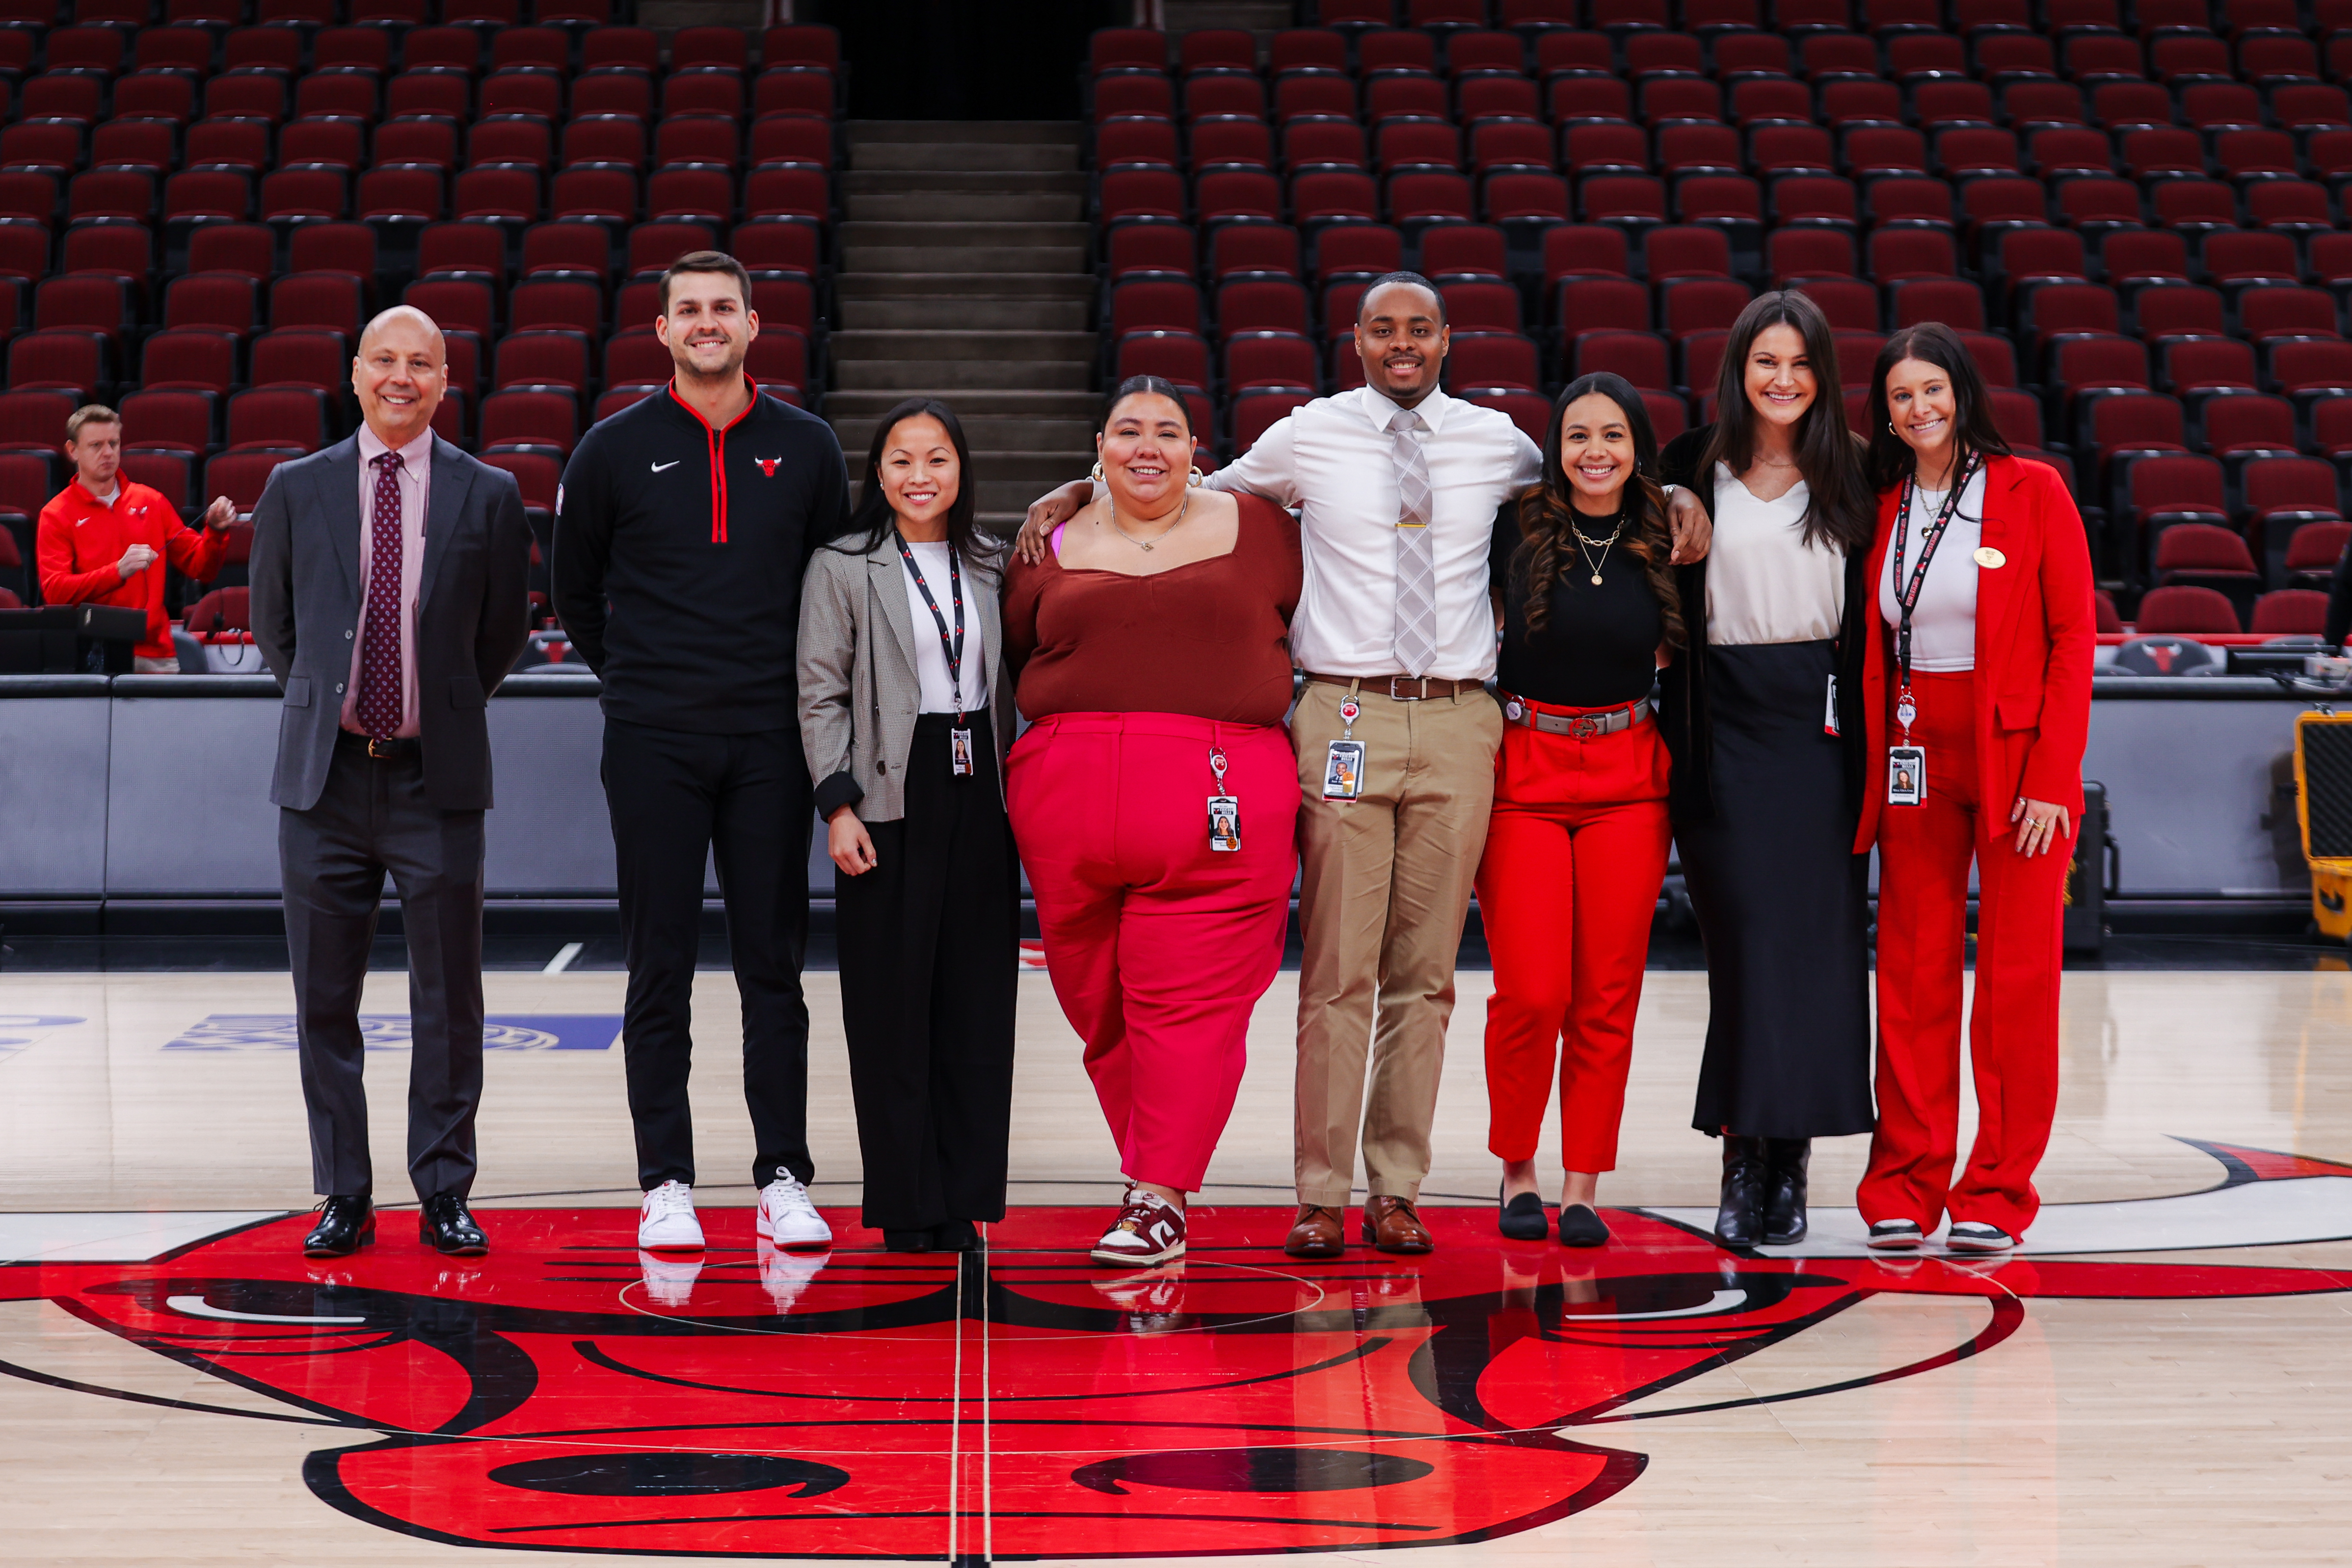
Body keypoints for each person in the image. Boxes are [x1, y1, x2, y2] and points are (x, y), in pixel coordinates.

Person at [1022, 276, 1713, 1258]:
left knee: (1424, 976)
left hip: (1462, 720)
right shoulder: (1306, 435)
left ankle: (1397, 1186)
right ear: (1354, 341)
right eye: (1383, 329)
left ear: (1445, 341)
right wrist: (1077, 488)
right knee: (1337, 971)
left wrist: (1675, 489)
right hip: (1341, 708)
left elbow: (1590, 485)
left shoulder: (1497, 442)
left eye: (1419, 330)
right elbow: (1178, 483)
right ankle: (1318, 1192)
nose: (1402, 344)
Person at [552, 251, 850, 1256]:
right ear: (663, 330)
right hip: (653, 742)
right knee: (659, 968)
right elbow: (576, 590)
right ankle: (666, 1181)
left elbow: (832, 588)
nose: (707, 322)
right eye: (690, 309)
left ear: (755, 325)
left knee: (775, 965)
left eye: (725, 307)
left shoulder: (806, 447)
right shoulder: (610, 448)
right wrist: (641, 676)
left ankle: (781, 1177)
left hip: (773, 739)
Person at [247, 306, 533, 1258]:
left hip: (435, 781)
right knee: (323, 998)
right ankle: (344, 1192)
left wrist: (433, 707)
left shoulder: (489, 494)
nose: (401, 376)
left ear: (446, 381)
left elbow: (497, 640)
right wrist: (337, 706)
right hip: (323, 783)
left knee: (447, 998)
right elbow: (277, 629)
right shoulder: (295, 487)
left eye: (421, 362)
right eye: (385, 359)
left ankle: (445, 1187)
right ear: (354, 371)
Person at [1002, 376, 1303, 1266]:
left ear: (1195, 450)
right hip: (1066, 802)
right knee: (1098, 1004)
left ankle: (1158, 1193)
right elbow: (1019, 649)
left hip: (1223, 803)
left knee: (1192, 1009)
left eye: (1166, 432)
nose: (1146, 447)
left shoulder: (1265, 530)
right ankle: (1152, 1172)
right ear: (1096, 447)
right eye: (1127, 431)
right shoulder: (1045, 538)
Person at [1854, 324, 2095, 1253]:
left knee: (2016, 977)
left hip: (2016, 758)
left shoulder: (2032, 489)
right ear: (1884, 411)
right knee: (1910, 971)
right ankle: (1905, 1182)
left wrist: (2052, 777)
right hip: (1914, 749)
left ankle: (1996, 1188)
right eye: (1900, 396)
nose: (1919, 409)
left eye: (1932, 390)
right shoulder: (1878, 501)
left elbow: (2074, 640)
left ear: (1962, 392)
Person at [1656, 290, 1879, 1249]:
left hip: (1824, 731)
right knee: (1744, 950)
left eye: (1799, 364)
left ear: (1821, 375)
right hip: (1719, 725)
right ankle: (1740, 1155)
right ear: (1736, 371)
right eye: (1764, 362)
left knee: (1816, 951)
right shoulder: (1683, 467)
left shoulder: (1861, 476)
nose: (1781, 380)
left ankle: (1786, 1161)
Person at [798, 398, 1019, 1253]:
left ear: (961, 471)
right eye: (900, 460)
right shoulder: (843, 564)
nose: (919, 476)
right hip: (892, 791)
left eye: (936, 459)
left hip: (980, 788)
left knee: (975, 1003)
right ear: (877, 474)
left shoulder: (995, 563)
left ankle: (961, 1195)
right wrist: (838, 804)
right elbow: (818, 694)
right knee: (892, 1005)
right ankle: (906, 1197)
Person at [1481, 374, 1684, 1249]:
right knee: (1531, 991)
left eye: (1612, 434)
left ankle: (1581, 1183)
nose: (1593, 451)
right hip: (1524, 766)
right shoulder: (1510, 524)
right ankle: (1516, 1167)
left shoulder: (1668, 533)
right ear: (1554, 447)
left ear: (1638, 445)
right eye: (1576, 436)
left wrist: (1679, 497)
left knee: (1606, 994)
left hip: (1628, 772)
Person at [38, 403, 238, 672]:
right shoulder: (56, 514)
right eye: (96, 445)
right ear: (73, 451)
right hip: (91, 657)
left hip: (156, 655)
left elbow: (201, 567)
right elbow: (56, 593)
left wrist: (216, 531)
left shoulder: (151, 501)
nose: (108, 453)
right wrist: (118, 571)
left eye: (114, 443)